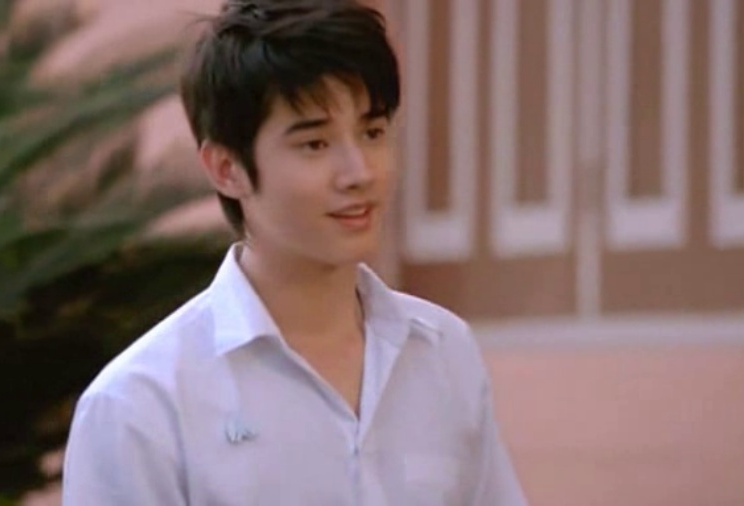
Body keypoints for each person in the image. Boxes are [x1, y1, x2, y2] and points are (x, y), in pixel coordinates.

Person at [61, 0, 529, 504]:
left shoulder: (442, 352)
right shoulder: (142, 402)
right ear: (226, 168)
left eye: (372, 133)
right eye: (315, 144)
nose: (359, 173)